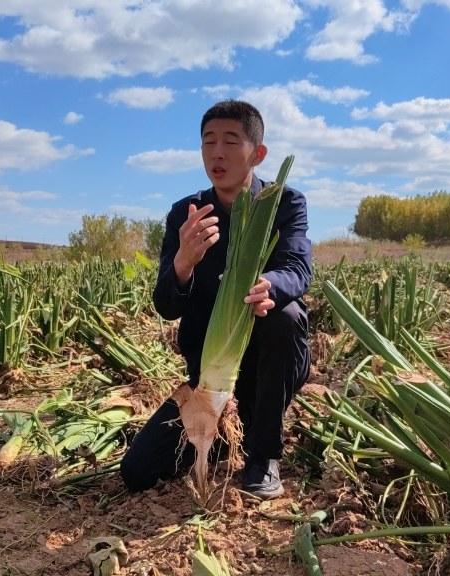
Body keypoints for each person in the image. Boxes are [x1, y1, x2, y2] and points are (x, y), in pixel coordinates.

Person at [119, 100, 312, 499]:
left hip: (268, 368)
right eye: (208, 142)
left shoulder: (283, 204)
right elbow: (166, 305)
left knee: (286, 315)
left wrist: (268, 286)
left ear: (257, 153)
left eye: (230, 141)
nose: (217, 153)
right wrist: (183, 263)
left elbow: (297, 268)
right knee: (137, 471)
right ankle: (224, 429)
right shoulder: (186, 214)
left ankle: (263, 454)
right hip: (210, 378)